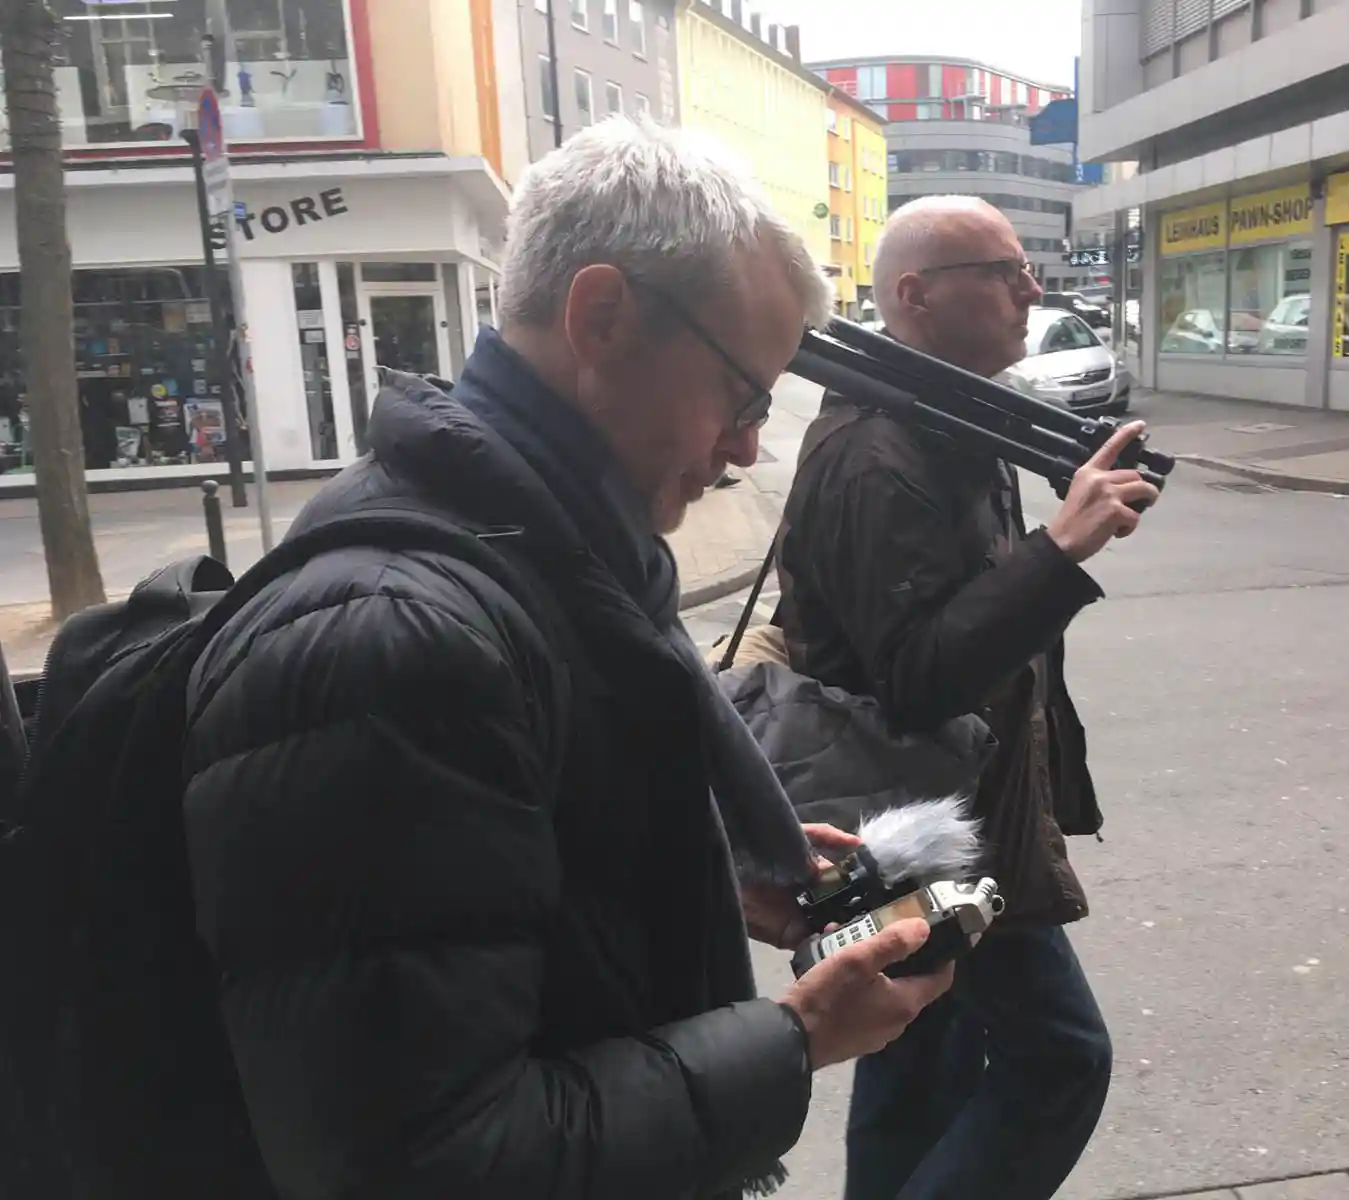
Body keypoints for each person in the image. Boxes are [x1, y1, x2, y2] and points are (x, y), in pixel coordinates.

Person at [179, 118, 952, 1200]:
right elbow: (416, 1164)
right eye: (744, 395)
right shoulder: (398, 647)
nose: (744, 447)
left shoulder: (552, 562)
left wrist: (692, 867)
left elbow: (488, 909)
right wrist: (793, 1037)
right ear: (601, 318)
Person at [775, 194, 1161, 1200]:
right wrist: (1060, 548)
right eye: (1000, 271)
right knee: (1059, 1058)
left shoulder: (947, 418)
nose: (1029, 286)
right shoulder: (875, 452)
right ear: (913, 296)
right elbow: (914, 676)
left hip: (949, 813)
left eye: (1023, 267)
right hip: (931, 828)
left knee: (918, 1054)